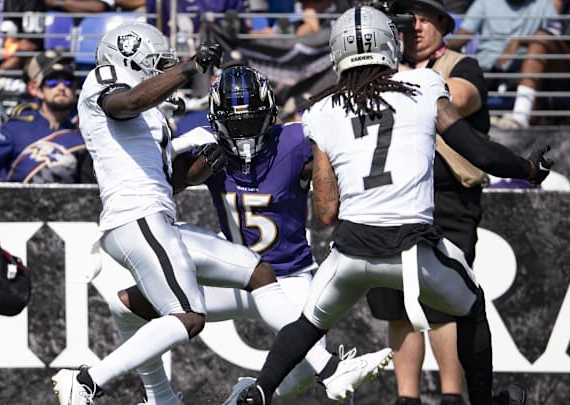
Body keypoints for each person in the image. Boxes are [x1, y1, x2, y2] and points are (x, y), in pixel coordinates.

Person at [227, 5, 553, 405]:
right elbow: (477, 151)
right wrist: (530, 169)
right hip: (412, 250)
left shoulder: (323, 111)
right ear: (389, 44)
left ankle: (261, 390)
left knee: (308, 323)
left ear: (336, 52)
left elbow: (326, 210)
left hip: (350, 250)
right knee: (471, 304)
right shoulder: (424, 85)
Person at [49, 22, 388, 405]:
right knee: (185, 315)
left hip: (287, 277)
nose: (242, 133)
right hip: (141, 218)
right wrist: (189, 71)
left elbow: (161, 173)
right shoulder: (113, 85)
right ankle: (93, 383)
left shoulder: (295, 139)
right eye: (158, 66)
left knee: (144, 300)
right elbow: (134, 117)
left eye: (251, 121)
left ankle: (172, 397)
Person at [365, 1, 491, 404]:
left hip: (448, 199)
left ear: (443, 24)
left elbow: (460, 98)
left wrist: (384, 71)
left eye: (423, 18)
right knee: (398, 305)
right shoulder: (383, 67)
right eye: (405, 19)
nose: (414, 27)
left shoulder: (461, 64)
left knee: (444, 301)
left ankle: (452, 396)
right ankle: (407, 398)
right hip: (392, 199)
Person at [491, 0, 570, 128]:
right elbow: (552, 29)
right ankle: (520, 116)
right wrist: (520, 40)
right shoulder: (568, 4)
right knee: (541, 38)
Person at [0, 57, 89, 183]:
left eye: (68, 83)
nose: (61, 87)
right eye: (52, 82)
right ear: (39, 91)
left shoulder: (82, 136)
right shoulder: (15, 129)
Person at [445, 0, 558, 88]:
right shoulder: (485, 2)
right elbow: (461, 37)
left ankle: (519, 116)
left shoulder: (544, 4)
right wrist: (438, 46)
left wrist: (520, 41)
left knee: (533, 74)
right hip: (485, 67)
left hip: (522, 68)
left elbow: (555, 39)